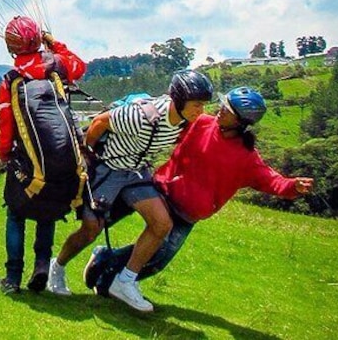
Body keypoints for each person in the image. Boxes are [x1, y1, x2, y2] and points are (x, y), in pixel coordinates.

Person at [83, 87, 315, 298]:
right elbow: (167, 125)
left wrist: (292, 186)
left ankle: (107, 274)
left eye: (228, 109)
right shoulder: (201, 123)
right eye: (224, 104)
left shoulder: (247, 158)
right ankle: (77, 260)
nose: (221, 110)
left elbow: (271, 180)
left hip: (188, 214)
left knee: (157, 259)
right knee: (104, 219)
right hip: (162, 192)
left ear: (241, 121)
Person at [46, 70, 214, 313]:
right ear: (179, 99)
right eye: (197, 104)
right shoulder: (141, 116)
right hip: (109, 168)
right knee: (91, 229)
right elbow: (100, 122)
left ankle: (124, 281)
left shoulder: (185, 123)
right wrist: (87, 154)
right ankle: (57, 267)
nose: (201, 110)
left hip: (136, 172)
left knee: (162, 224)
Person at [0, 16, 86, 294]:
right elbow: (80, 65)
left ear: (11, 47)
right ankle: (42, 267)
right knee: (47, 213)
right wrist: (54, 43)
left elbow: (6, 127)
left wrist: (3, 154)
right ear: (37, 39)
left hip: (26, 161)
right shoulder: (57, 67)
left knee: (15, 214)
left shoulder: (11, 81)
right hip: (61, 163)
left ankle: (12, 278)